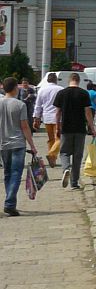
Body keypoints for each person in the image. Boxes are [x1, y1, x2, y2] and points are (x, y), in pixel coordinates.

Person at [1, 76, 39, 216]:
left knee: (7, 173)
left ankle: (9, 200)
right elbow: (24, 127)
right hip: (18, 143)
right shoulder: (20, 105)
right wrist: (32, 145)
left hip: (3, 144)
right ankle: (10, 203)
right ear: (15, 88)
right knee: (16, 173)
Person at [53, 73, 96, 190]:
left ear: (69, 80)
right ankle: (74, 182)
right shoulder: (83, 94)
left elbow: (57, 113)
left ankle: (66, 168)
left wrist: (57, 127)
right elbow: (88, 112)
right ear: (78, 81)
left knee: (64, 152)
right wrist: (92, 128)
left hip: (66, 128)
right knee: (77, 155)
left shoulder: (61, 93)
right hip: (80, 128)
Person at [32, 73, 62, 163]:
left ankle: (53, 159)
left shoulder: (42, 90)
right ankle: (52, 154)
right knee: (59, 138)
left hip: (47, 117)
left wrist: (36, 118)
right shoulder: (60, 89)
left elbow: (38, 105)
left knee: (51, 139)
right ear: (56, 80)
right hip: (58, 117)